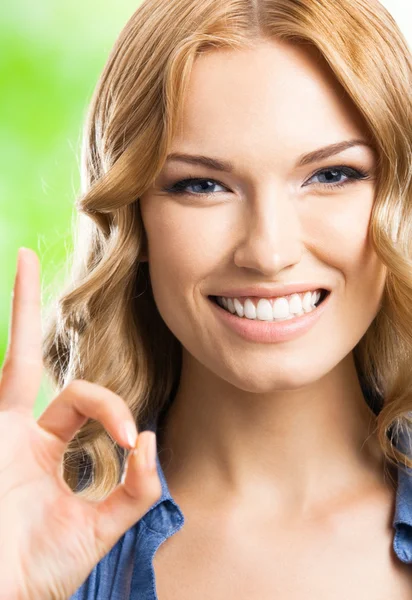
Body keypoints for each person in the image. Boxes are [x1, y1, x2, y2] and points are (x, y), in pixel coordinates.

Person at [1, 0, 412, 597]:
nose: (268, 252)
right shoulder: (45, 535)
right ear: (134, 219)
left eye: (332, 175)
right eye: (201, 185)